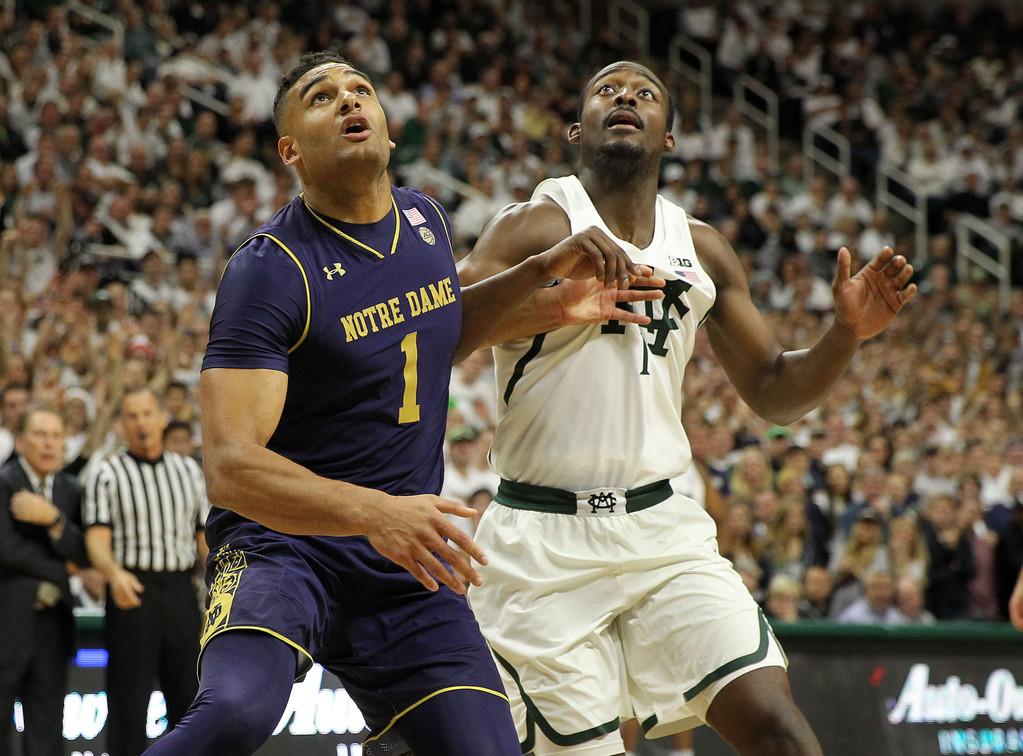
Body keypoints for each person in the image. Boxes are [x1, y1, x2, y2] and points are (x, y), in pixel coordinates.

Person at [144, 52, 658, 756]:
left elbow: (431, 331)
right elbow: (232, 468)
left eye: (361, 89)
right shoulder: (268, 269)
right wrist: (374, 512)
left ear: (388, 132)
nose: (349, 100)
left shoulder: (423, 220)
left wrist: (545, 295)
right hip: (283, 548)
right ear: (289, 149)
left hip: (401, 568)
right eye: (322, 97)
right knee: (234, 712)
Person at [457, 60, 916, 756]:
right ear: (577, 130)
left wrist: (843, 336)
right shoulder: (531, 226)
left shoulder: (701, 247)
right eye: (607, 91)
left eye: (645, 94)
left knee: (779, 732)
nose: (626, 98)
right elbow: (434, 332)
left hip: (661, 532)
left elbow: (772, 390)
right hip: (541, 540)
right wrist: (547, 295)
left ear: (668, 138)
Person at [83, 388, 210, 756]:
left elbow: (203, 540)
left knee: (189, 699)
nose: (141, 423)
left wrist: (216, 591)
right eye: (132, 416)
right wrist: (113, 573)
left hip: (180, 591)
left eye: (146, 414)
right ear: (123, 425)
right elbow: (96, 540)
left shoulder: (188, 470)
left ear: (161, 419)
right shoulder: (107, 473)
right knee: (128, 702)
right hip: (132, 588)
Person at [0, 408, 90, 756]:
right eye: (40, 435)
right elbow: (6, 549)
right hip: (8, 621)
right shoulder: (4, 482)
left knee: (48, 724)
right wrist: (60, 571)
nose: (50, 443)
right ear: (21, 441)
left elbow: (84, 553)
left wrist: (53, 519)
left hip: (53, 622)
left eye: (56, 435)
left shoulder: (71, 489)